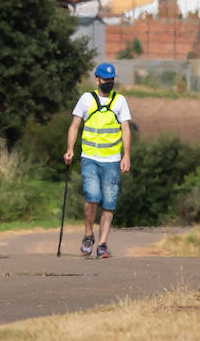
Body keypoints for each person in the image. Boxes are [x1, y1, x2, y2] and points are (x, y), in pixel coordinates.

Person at [63, 62, 131, 259]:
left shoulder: (120, 101)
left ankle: (102, 243)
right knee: (92, 196)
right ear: (97, 80)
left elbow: (125, 129)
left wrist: (126, 155)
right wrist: (70, 150)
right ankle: (88, 235)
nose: (109, 83)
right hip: (90, 157)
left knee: (109, 201)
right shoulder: (86, 99)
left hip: (112, 159)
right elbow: (74, 125)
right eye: (105, 80)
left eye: (111, 80)